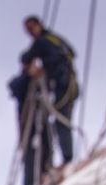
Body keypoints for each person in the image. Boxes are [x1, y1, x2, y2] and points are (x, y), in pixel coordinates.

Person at [20, 16, 78, 171]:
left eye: (32, 28)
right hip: (70, 84)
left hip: (64, 85)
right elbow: (72, 52)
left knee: (60, 119)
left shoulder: (41, 42)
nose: (31, 33)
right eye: (28, 30)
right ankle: (67, 158)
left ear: (39, 25)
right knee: (61, 118)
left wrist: (41, 69)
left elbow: (25, 57)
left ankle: (67, 159)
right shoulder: (55, 38)